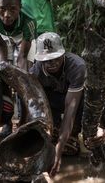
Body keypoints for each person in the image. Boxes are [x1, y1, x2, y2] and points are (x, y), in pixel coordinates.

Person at [29, 32, 85, 176]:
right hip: (51, 101)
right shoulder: (35, 72)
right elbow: (35, 105)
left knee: (69, 146)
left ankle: (73, 133)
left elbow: (70, 108)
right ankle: (52, 130)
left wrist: (58, 152)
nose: (51, 63)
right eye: (46, 60)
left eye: (55, 58)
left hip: (74, 99)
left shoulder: (77, 66)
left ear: (62, 54)